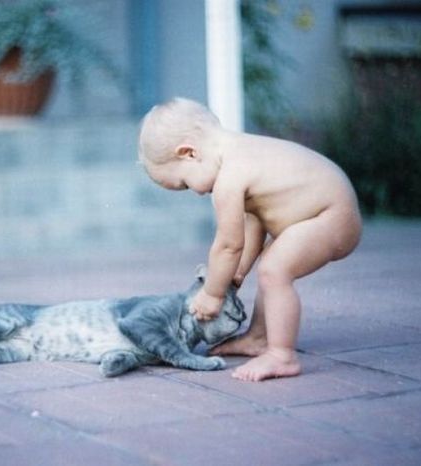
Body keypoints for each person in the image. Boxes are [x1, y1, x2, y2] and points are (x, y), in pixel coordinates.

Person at [138, 97, 362, 382]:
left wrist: (213, 293)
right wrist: (239, 271)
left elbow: (229, 245)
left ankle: (282, 356)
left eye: (184, 184)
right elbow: (254, 221)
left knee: (274, 269)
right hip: (327, 210)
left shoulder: (229, 179)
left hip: (331, 216)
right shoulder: (242, 152)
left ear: (189, 153)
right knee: (271, 265)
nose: (196, 192)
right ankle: (258, 337)